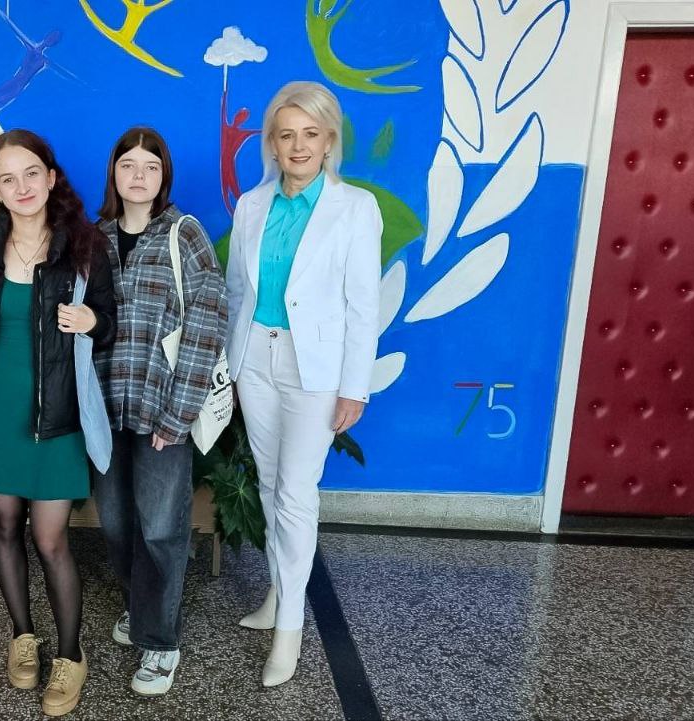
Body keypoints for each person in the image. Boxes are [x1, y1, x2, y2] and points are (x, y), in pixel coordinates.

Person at [224, 81, 381, 687]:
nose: (298, 145)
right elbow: (237, 292)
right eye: (286, 134)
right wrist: (230, 367)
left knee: (295, 492)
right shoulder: (252, 205)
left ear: (329, 140)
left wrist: (355, 387)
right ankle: (278, 592)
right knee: (269, 485)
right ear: (271, 143)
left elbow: (363, 307)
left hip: (315, 369)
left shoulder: (355, 208)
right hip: (255, 360)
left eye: (310, 134)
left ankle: (290, 626)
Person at [0, 129, 116, 717]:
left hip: (58, 413)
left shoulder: (84, 246)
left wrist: (92, 320)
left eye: (30, 174)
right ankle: (23, 636)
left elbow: (111, 322)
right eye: (7, 178)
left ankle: (71, 655)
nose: (21, 187)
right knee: (3, 525)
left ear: (51, 178)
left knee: (50, 540)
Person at [91, 127, 228, 696]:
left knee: (161, 529)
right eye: (129, 164)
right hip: (105, 411)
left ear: (163, 175)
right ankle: (143, 606)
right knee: (116, 523)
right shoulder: (95, 237)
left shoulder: (183, 234)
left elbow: (207, 323)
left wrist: (179, 414)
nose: (139, 175)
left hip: (162, 412)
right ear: (114, 172)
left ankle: (160, 642)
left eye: (151, 166)